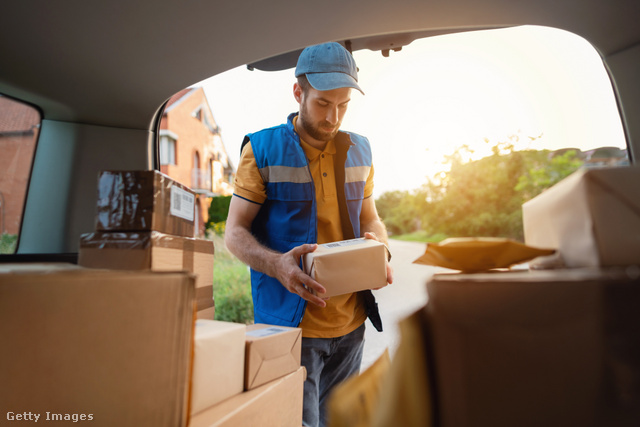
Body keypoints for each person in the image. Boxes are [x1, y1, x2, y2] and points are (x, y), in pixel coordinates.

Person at [224, 41, 393, 427]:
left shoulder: (361, 150)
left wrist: (379, 247)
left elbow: (372, 218)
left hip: (351, 325)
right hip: (291, 328)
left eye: (343, 104)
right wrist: (277, 266)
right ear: (298, 92)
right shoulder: (262, 149)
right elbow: (234, 232)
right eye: (323, 103)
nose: (333, 117)